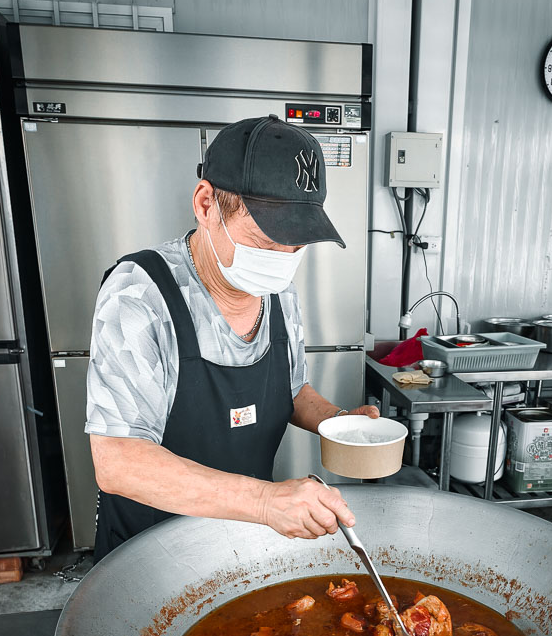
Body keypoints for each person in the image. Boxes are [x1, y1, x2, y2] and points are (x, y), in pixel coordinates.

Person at [85, 114, 378, 561]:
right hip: (149, 556)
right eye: (265, 240)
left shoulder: (279, 292)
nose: (282, 261)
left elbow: (291, 389)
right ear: (206, 205)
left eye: (296, 246)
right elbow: (118, 460)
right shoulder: (139, 294)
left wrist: (338, 422)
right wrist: (266, 501)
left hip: (245, 545)